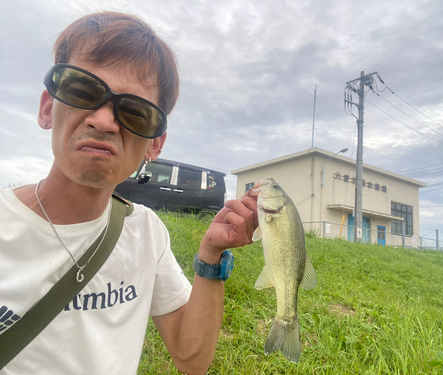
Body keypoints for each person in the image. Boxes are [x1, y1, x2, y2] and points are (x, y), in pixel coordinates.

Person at [0, 11, 257, 375]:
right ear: (47, 108)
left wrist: (211, 254)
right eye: (83, 91)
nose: (103, 121)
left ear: (155, 145)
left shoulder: (146, 234)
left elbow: (192, 358)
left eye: (134, 112)